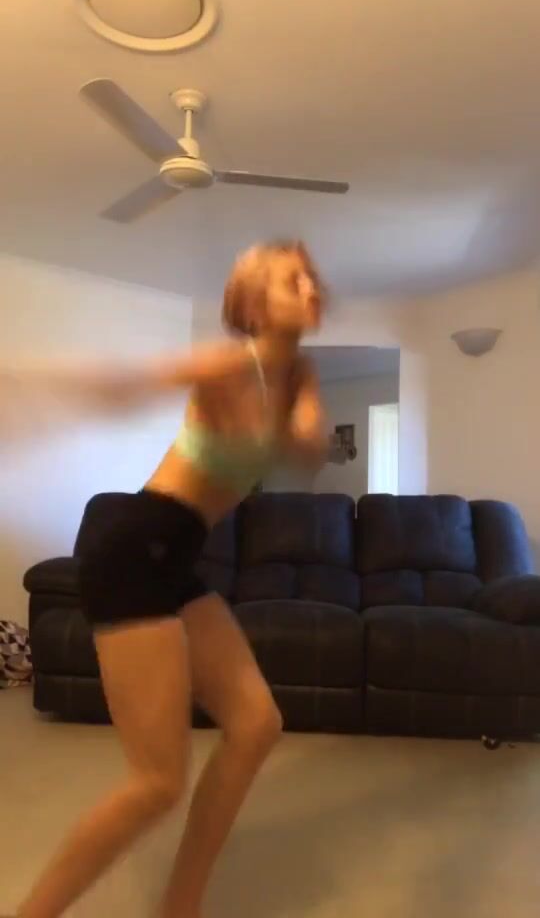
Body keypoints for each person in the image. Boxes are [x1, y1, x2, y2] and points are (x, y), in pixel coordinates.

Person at [10, 240, 328, 918]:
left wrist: (285, 422)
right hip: (132, 547)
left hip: (174, 555)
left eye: (310, 277)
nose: (311, 287)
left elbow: (309, 451)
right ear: (250, 305)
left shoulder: (299, 374)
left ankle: (180, 906)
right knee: (156, 782)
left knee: (256, 723)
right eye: (290, 280)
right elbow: (127, 384)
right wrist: (28, 386)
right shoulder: (226, 364)